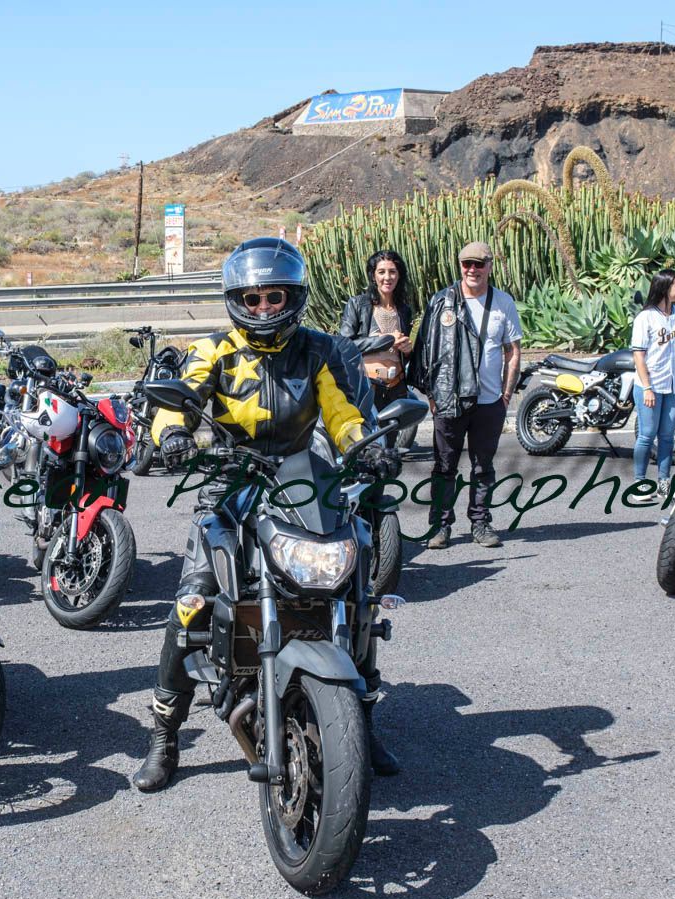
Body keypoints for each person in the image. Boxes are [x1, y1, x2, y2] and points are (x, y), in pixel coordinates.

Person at [131, 237, 399, 793]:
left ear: (293, 296)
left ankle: (359, 717)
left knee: (355, 584)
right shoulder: (215, 349)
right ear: (235, 300)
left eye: (274, 297)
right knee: (191, 603)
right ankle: (164, 734)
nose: (263, 310)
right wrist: (174, 435)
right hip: (228, 479)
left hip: (301, 476)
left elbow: (342, 412)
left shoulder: (318, 350)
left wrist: (363, 444)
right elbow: (176, 398)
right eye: (251, 300)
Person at [409, 241, 523, 549]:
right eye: (466, 264)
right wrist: (431, 395)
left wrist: (506, 394)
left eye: (478, 264)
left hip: (489, 402)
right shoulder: (441, 301)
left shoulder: (503, 302)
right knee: (444, 466)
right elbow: (425, 350)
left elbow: (513, 351)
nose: (472, 270)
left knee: (482, 466)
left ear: (489, 266)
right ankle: (440, 526)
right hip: (448, 400)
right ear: (459, 266)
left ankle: (481, 523)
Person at [630, 269, 675, 495]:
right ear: (665, 288)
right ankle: (639, 482)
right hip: (651, 385)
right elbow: (638, 355)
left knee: (667, 436)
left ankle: (664, 483)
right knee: (647, 435)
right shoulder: (645, 318)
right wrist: (647, 387)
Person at [339, 248, 416, 441]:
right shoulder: (358, 305)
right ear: (373, 276)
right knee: (365, 443)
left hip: (395, 387)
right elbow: (344, 345)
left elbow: (400, 352)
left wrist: (407, 350)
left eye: (392, 272)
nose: (387, 277)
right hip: (367, 387)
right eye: (381, 272)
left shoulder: (404, 310)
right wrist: (385, 340)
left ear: (399, 275)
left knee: (389, 446)